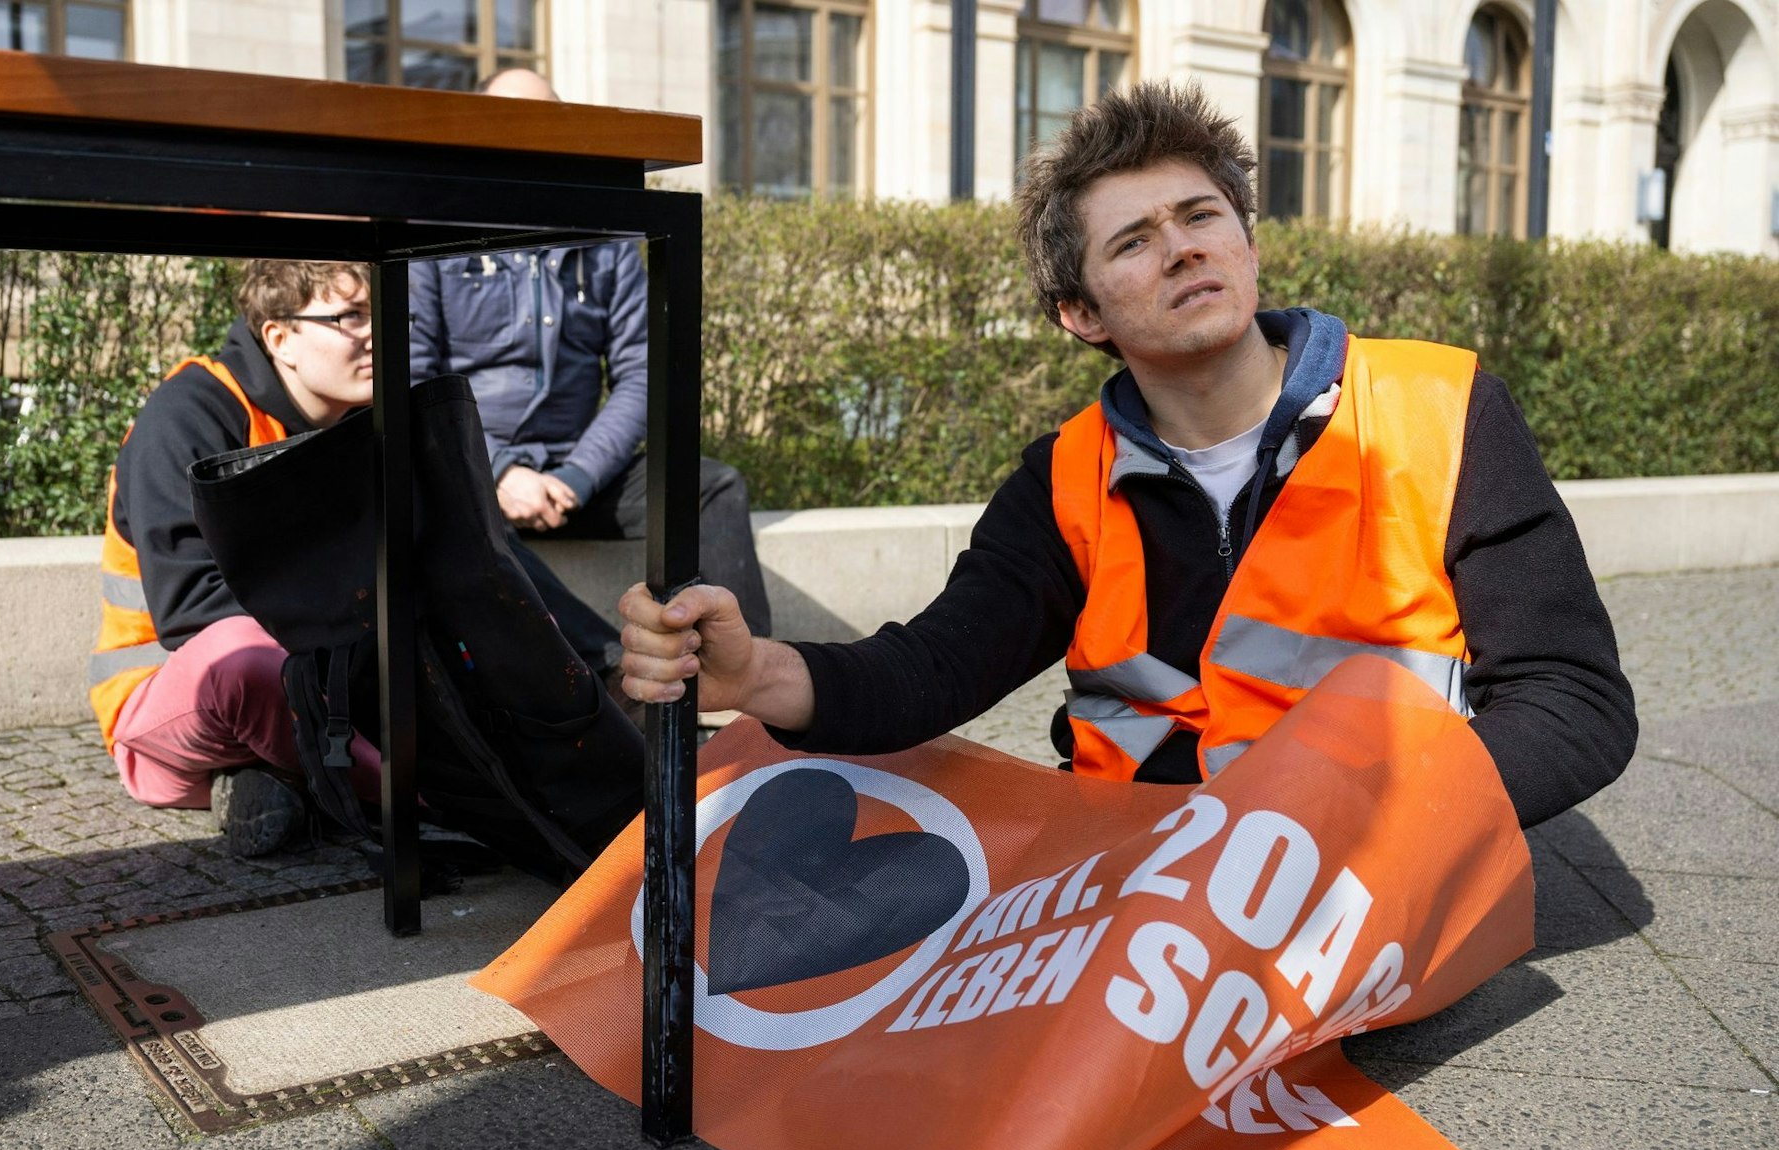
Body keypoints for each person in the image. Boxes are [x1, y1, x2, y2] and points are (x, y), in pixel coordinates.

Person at [616, 80, 1636, 829]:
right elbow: (928, 670)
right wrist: (756, 672)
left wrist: (1376, 830)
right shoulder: (1061, 478)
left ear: (1246, 244)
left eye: (1201, 216)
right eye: (1133, 241)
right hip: (1137, 873)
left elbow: (1572, 700)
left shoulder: (1440, 409)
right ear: (1079, 313)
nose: (1183, 246)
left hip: (1379, 866)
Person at [408, 66, 775, 687]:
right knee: (435, 514)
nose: (528, 142)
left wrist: (576, 475)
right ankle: (610, 679)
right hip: (470, 471)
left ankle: (745, 683)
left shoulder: (604, 241)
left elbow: (641, 375)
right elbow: (414, 377)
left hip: (582, 472)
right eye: (508, 125)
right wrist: (495, 470)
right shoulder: (434, 236)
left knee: (711, 488)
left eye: (544, 124)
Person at [88, 259, 383, 855]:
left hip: (321, 683)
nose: (377, 332)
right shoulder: (188, 413)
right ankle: (428, 791)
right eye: (352, 316)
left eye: (381, 312)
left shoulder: (368, 421)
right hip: (165, 700)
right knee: (244, 659)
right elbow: (192, 608)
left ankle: (276, 781)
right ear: (280, 338)